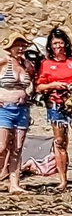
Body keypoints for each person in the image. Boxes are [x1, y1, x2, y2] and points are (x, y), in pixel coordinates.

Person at [33, 27, 72, 190]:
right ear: (50, 46)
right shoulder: (46, 64)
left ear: (66, 44)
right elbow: (39, 87)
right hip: (55, 105)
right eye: (55, 44)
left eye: (60, 43)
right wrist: (53, 85)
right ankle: (63, 180)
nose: (58, 46)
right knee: (60, 142)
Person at [0, 36, 33, 195]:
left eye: (23, 45)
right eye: (17, 45)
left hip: (22, 110)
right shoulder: (3, 62)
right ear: (10, 47)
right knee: (2, 147)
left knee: (17, 148)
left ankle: (14, 184)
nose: (20, 48)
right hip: (4, 109)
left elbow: (34, 83)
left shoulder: (27, 65)